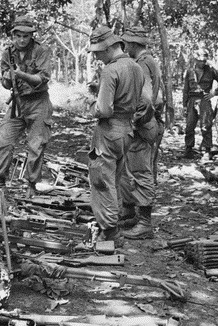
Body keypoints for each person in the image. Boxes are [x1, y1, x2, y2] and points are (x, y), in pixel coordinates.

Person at [0, 15, 53, 200]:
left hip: (38, 102)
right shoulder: (8, 53)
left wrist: (20, 74)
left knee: (36, 145)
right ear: (13, 35)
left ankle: (31, 185)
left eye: (25, 36)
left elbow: (41, 79)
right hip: (17, 103)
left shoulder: (41, 51)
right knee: (3, 141)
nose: (21, 40)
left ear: (31, 36)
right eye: (18, 35)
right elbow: (6, 83)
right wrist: (7, 79)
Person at [87, 26, 145, 243]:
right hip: (127, 130)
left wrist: (91, 106)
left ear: (109, 47)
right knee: (116, 178)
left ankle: (110, 231)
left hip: (108, 131)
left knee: (101, 181)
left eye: (97, 51)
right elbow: (143, 100)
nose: (95, 55)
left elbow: (104, 109)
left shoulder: (110, 70)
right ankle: (116, 219)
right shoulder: (135, 67)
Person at [120, 26, 159, 240]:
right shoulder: (145, 61)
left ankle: (145, 222)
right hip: (144, 124)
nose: (124, 46)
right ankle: (131, 213)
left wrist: (134, 122)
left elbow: (146, 100)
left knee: (140, 172)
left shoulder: (142, 64)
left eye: (126, 42)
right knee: (129, 169)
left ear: (133, 44)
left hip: (142, 127)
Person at [182, 48, 218, 159]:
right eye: (200, 60)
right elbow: (186, 89)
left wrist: (214, 93)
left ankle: (207, 150)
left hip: (204, 100)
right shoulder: (190, 71)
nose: (202, 62)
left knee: (206, 126)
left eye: (204, 60)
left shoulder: (211, 70)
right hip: (192, 100)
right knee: (189, 127)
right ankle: (188, 149)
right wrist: (184, 105)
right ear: (196, 60)